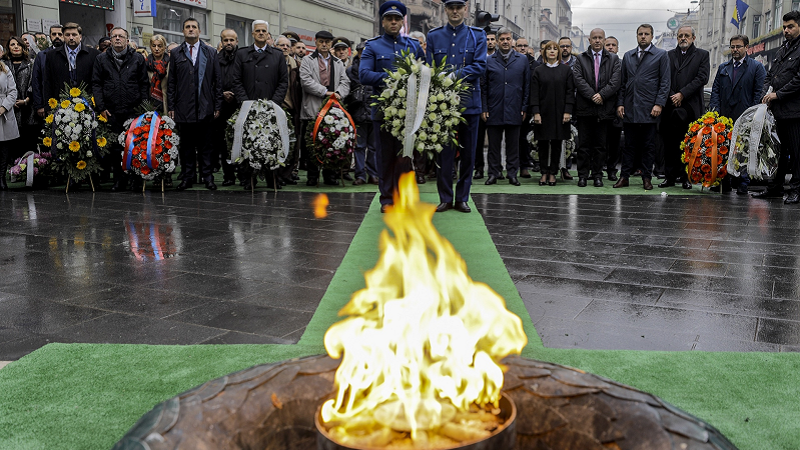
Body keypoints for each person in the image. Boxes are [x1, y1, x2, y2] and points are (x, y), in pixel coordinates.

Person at [361, 0, 425, 211]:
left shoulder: (413, 46)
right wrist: (393, 78)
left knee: (406, 157)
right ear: (383, 22)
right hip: (384, 112)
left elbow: (425, 73)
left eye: (397, 19)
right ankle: (388, 198)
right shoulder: (373, 46)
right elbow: (364, 74)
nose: (394, 22)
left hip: (409, 112)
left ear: (402, 22)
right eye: (389, 19)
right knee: (385, 157)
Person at [427, 0, 487, 213]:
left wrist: (453, 76)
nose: (455, 11)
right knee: (444, 153)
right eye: (451, 8)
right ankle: (445, 197)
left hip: (469, 103)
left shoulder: (477, 35)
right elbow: (429, 66)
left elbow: (480, 65)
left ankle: (462, 197)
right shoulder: (434, 35)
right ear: (445, 10)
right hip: (442, 103)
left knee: (468, 153)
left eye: (458, 7)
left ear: (465, 9)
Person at [230, 20, 288, 190]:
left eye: (264, 31)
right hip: (248, 106)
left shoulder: (277, 55)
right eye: (258, 31)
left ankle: (272, 178)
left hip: (272, 107)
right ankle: (249, 179)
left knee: (272, 141)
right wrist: (245, 102)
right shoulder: (242, 54)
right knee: (249, 142)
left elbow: (283, 81)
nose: (261, 33)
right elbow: (236, 80)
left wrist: (274, 104)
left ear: (268, 34)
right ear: (253, 34)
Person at [167, 17, 223, 191]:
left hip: (205, 107)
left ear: (199, 31)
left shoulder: (210, 52)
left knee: (207, 145)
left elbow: (218, 81)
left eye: (194, 27)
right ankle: (188, 177)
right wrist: (171, 106)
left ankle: (208, 177)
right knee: (186, 146)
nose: (191, 29)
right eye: (187, 27)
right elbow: (172, 82)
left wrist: (217, 105)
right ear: (183, 31)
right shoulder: (176, 53)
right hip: (184, 107)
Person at [92, 27, 150, 191]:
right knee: (115, 147)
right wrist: (101, 107)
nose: (117, 38)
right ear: (110, 40)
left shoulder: (137, 58)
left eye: (121, 36)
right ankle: (119, 180)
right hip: (111, 110)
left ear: (127, 40)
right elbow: (96, 84)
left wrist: (143, 108)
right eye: (114, 36)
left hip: (133, 110)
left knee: (135, 145)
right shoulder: (101, 59)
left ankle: (136, 179)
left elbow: (144, 84)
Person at [614, 24, 670, 190]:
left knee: (648, 146)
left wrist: (659, 103)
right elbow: (622, 83)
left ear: (652, 36)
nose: (643, 36)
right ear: (637, 36)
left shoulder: (661, 55)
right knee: (628, 146)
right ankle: (624, 177)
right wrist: (620, 103)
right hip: (630, 108)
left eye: (646, 34)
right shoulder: (628, 56)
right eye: (640, 34)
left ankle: (647, 178)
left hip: (649, 108)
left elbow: (665, 82)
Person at [709, 34, 766, 195]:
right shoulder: (723, 67)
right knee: (724, 149)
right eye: (732, 47)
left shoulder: (756, 67)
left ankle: (743, 182)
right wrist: (715, 111)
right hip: (725, 116)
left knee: (743, 150)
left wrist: (753, 113)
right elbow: (715, 91)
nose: (735, 50)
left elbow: (759, 92)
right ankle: (724, 181)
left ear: (746, 47)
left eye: (738, 47)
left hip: (745, 115)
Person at [754, 11, 800, 204]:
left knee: (796, 154)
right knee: (778, 151)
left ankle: (796, 190)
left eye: (790, 26)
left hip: (795, 111)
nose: (786, 30)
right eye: (784, 27)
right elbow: (770, 75)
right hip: (778, 110)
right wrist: (765, 94)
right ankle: (775, 187)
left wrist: (777, 94)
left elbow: (798, 80)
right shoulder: (783, 48)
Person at [659, 26, 710, 190]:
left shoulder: (702, 55)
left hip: (690, 107)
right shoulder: (668, 55)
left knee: (689, 144)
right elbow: (664, 78)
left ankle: (687, 177)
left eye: (686, 35)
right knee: (670, 144)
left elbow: (702, 78)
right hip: (670, 106)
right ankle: (669, 177)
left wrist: (682, 94)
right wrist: (673, 96)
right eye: (680, 35)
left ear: (693, 38)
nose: (683, 38)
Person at [299, 30, 349, 186]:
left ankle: (330, 175)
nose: (324, 44)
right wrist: (325, 92)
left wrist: (338, 93)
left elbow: (345, 82)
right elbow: (305, 81)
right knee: (312, 143)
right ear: (316, 42)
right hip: (313, 107)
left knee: (331, 140)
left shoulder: (338, 62)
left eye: (327, 42)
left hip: (333, 108)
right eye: (321, 41)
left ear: (331, 44)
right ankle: (312, 176)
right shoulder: (307, 60)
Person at [572, 28, 621, 188]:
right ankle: (582, 175)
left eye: (600, 38)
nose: (597, 40)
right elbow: (578, 79)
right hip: (585, 108)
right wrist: (593, 95)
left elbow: (615, 81)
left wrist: (602, 95)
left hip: (604, 109)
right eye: (594, 38)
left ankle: (597, 175)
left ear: (604, 40)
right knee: (584, 145)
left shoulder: (614, 59)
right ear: (590, 40)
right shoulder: (581, 58)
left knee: (601, 146)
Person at [481, 27, 529, 186]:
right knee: (494, 146)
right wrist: (484, 108)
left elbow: (527, 86)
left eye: (508, 39)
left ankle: (512, 174)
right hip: (494, 108)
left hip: (515, 108)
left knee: (513, 145)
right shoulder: (489, 60)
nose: (505, 42)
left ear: (512, 40)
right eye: (502, 39)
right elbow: (484, 86)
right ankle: (493, 173)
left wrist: (524, 107)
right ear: (497, 41)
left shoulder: (522, 60)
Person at [530, 41, 574, 186]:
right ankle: (544, 172)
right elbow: (534, 93)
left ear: (558, 53)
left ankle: (553, 173)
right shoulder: (538, 70)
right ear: (545, 52)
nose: (552, 51)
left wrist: (567, 111)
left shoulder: (566, 70)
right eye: (549, 49)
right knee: (542, 143)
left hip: (560, 113)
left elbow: (570, 92)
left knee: (557, 143)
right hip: (543, 112)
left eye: (555, 49)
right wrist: (536, 112)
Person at [345, 41, 378, 186]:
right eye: (361, 52)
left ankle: (373, 174)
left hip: (374, 112)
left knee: (373, 147)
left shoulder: (377, 68)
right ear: (357, 53)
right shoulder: (350, 70)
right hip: (357, 111)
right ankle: (360, 175)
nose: (363, 54)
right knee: (359, 146)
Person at [43, 23, 100, 104]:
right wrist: (47, 105)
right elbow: (47, 81)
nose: (71, 38)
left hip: (88, 102)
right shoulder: (52, 55)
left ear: (80, 36)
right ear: (63, 36)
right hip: (60, 103)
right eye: (67, 35)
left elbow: (98, 81)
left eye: (74, 35)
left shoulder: (94, 54)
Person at [275, 34, 302, 185]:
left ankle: (288, 174)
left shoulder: (296, 65)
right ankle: (277, 175)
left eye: (287, 46)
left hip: (293, 108)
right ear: (275, 47)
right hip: (277, 108)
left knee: (293, 143)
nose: (285, 48)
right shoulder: (271, 63)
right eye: (281, 45)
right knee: (279, 143)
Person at [4, 36, 35, 160]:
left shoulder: (30, 64)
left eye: (19, 44)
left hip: (27, 108)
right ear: (8, 48)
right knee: (10, 144)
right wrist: (10, 101)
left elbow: (34, 83)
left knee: (26, 142)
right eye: (12, 44)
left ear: (23, 48)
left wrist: (26, 100)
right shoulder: (3, 65)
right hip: (8, 108)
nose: (16, 47)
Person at [215, 28, 239, 187]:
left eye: (231, 40)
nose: (229, 43)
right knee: (223, 143)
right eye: (226, 40)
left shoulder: (243, 58)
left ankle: (243, 174)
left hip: (239, 104)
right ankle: (228, 175)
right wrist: (222, 93)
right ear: (222, 42)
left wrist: (236, 93)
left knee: (241, 140)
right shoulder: (215, 59)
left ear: (236, 41)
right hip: (222, 105)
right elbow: (211, 81)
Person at [515, 36, 540, 176]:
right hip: (514, 105)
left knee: (527, 138)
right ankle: (515, 165)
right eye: (520, 46)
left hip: (530, 107)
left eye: (525, 46)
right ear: (515, 47)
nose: (522, 48)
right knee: (515, 138)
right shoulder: (511, 61)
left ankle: (526, 164)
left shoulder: (535, 65)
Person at [475, 28, 497, 180]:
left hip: (495, 103)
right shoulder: (478, 57)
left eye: (492, 39)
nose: (489, 42)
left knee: (495, 141)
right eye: (487, 39)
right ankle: (479, 168)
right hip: (479, 103)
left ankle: (495, 169)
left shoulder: (500, 58)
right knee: (478, 139)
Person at [604, 35, 622, 180]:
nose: (610, 47)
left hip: (616, 109)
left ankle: (612, 170)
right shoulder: (598, 63)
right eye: (608, 45)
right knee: (599, 142)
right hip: (600, 107)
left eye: (613, 45)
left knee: (615, 142)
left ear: (617, 48)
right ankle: (597, 169)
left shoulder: (622, 64)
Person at [0, 55, 18, 190]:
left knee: (4, 147)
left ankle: (1, 177)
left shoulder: (5, 69)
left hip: (4, 112)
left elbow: (12, 91)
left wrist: (3, 107)